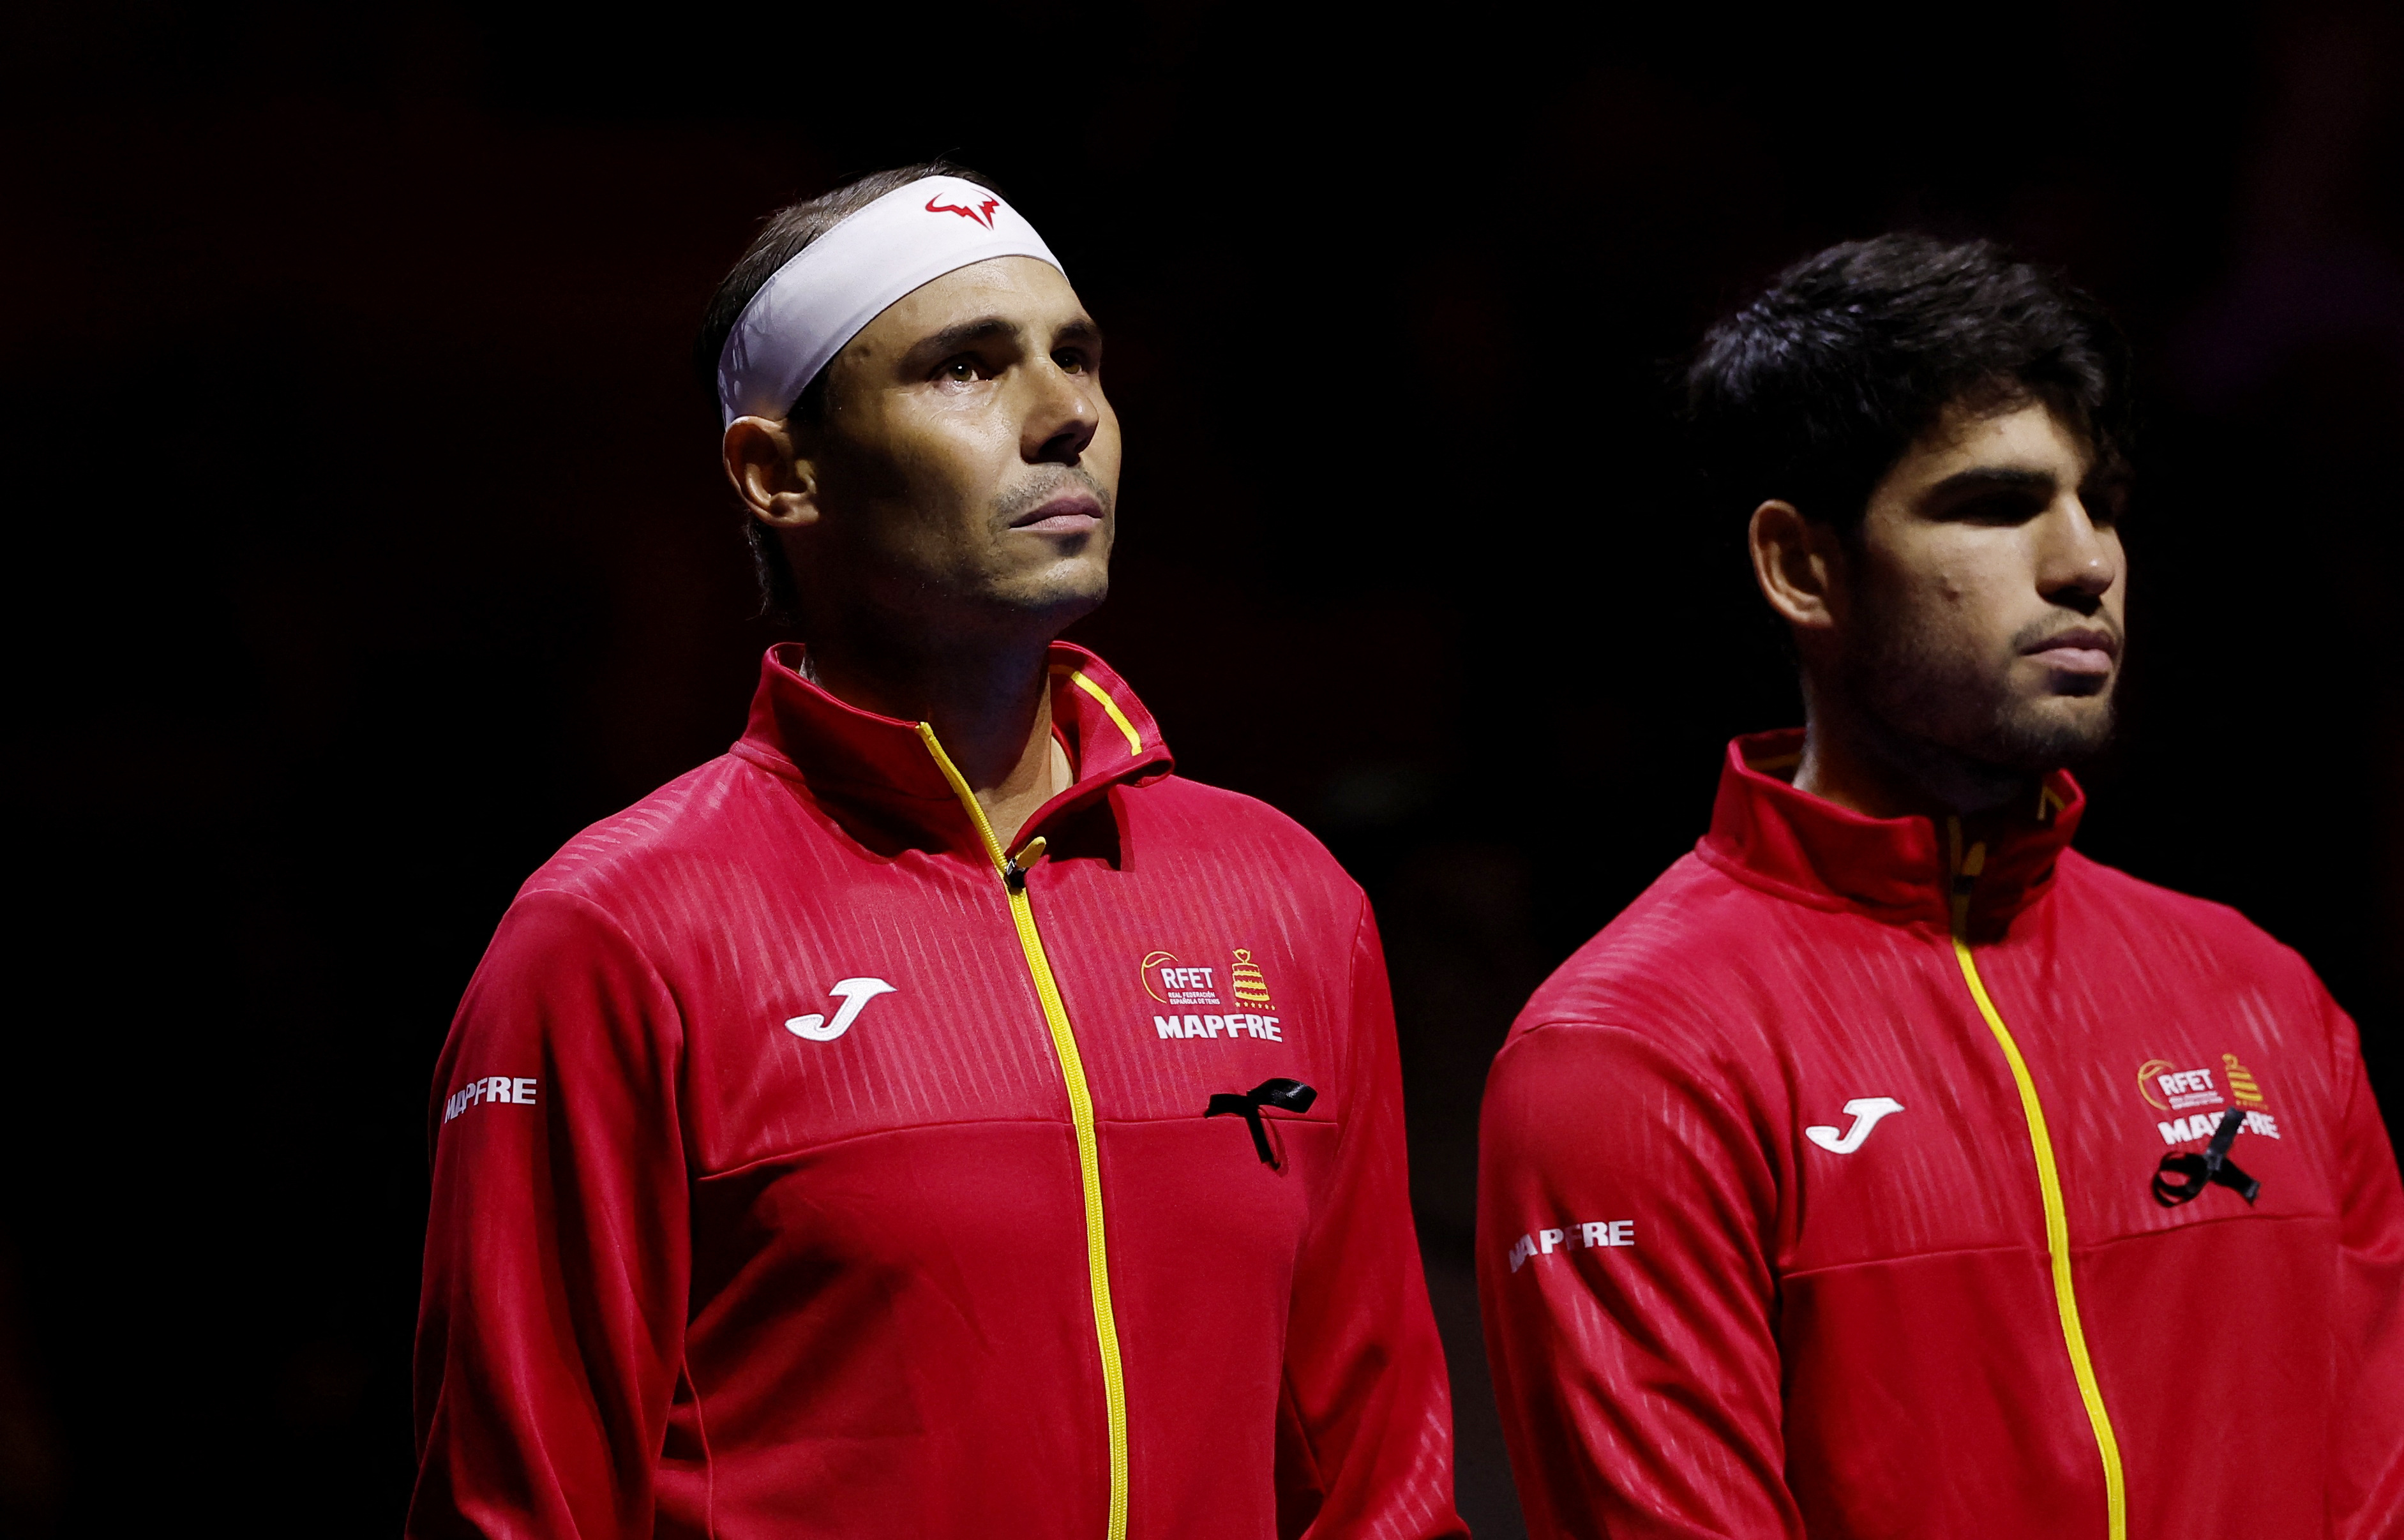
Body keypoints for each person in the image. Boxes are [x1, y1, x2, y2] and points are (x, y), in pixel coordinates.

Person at [409, 163, 1466, 1540]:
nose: (1065, 415)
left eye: (1075, 357)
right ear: (778, 472)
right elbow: (517, 1511)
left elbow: (1379, 1479)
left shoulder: (1283, 897)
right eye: (966, 367)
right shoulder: (617, 934)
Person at [1476, 234, 2404, 1538]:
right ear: (1802, 566)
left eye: (2100, 499)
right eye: (1993, 505)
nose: (2084, 563)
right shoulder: (1628, 1058)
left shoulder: (2266, 1003)